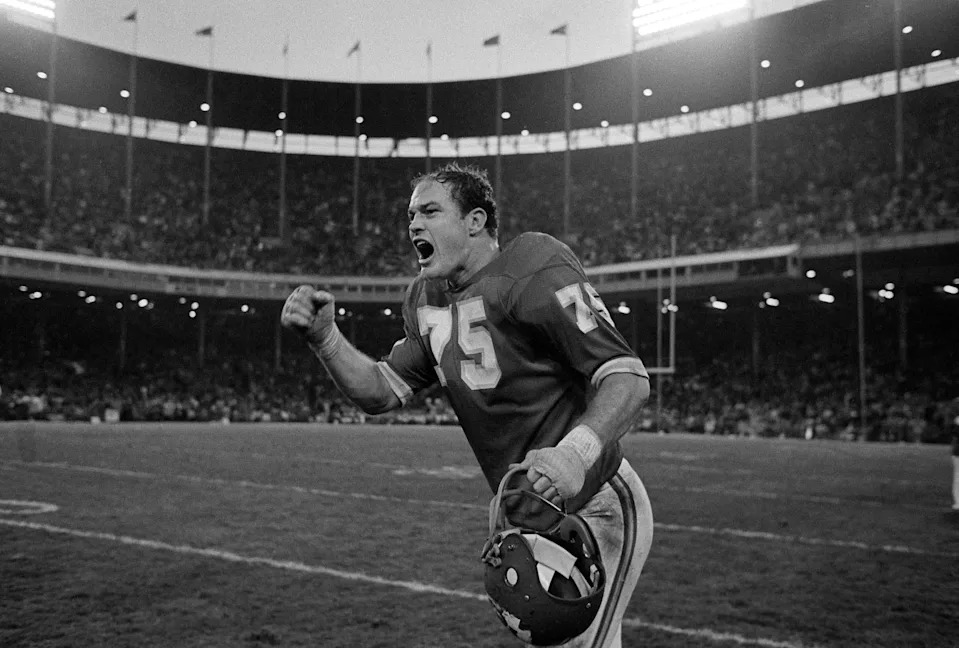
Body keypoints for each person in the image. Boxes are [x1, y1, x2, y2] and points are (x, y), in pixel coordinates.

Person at [281, 162, 653, 648]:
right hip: (525, 513)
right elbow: (379, 390)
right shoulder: (425, 299)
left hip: (596, 500)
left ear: (475, 221)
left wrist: (573, 453)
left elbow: (627, 377)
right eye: (411, 214)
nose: (414, 224)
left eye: (431, 211)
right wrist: (326, 339)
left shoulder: (532, 265)